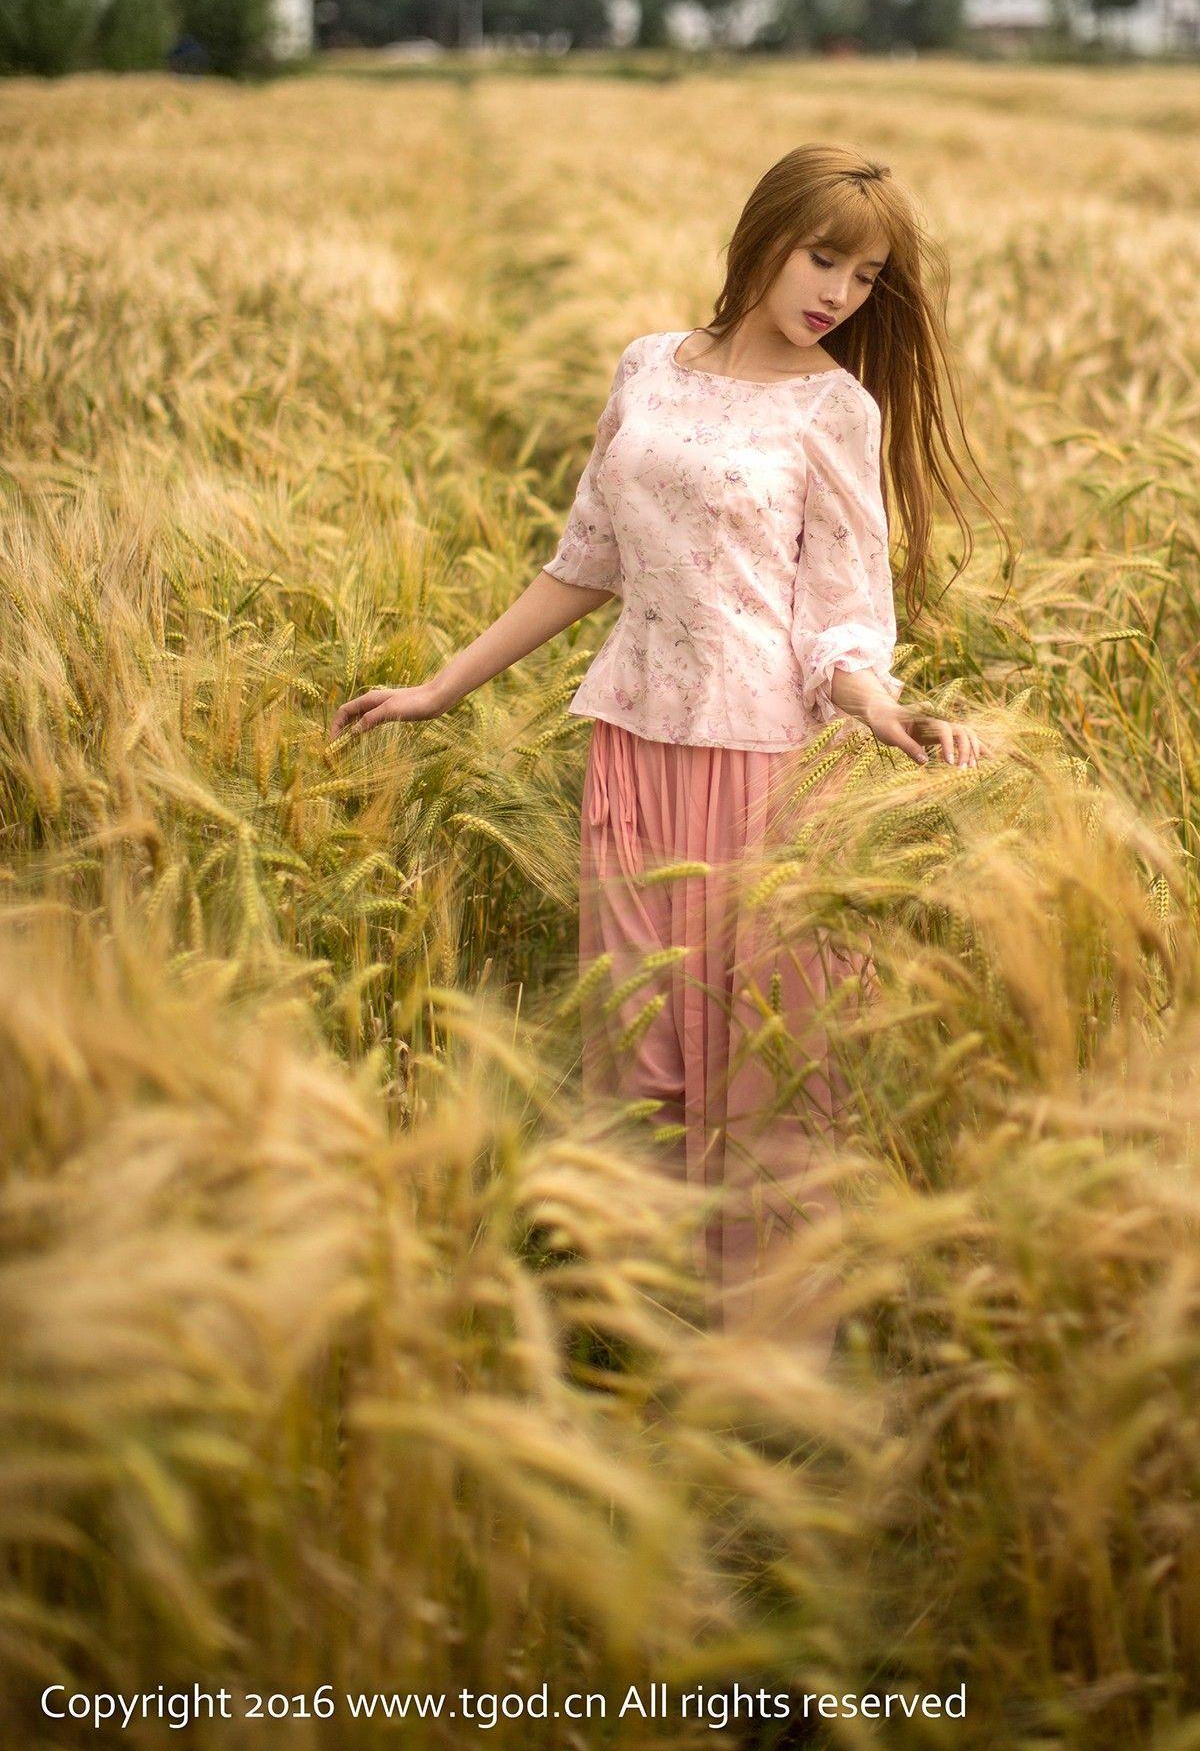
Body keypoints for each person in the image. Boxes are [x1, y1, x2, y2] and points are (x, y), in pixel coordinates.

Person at [331, 143, 1012, 1353]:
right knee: (640, 1043)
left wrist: (880, 707)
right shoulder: (647, 368)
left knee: (766, 1058)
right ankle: (636, 1326)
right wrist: (439, 687)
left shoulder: (832, 407)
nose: (840, 295)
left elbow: (841, 613)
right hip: (634, 748)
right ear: (759, 237)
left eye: (865, 276)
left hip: (765, 765)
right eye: (823, 258)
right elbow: (585, 561)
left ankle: (766, 1355)